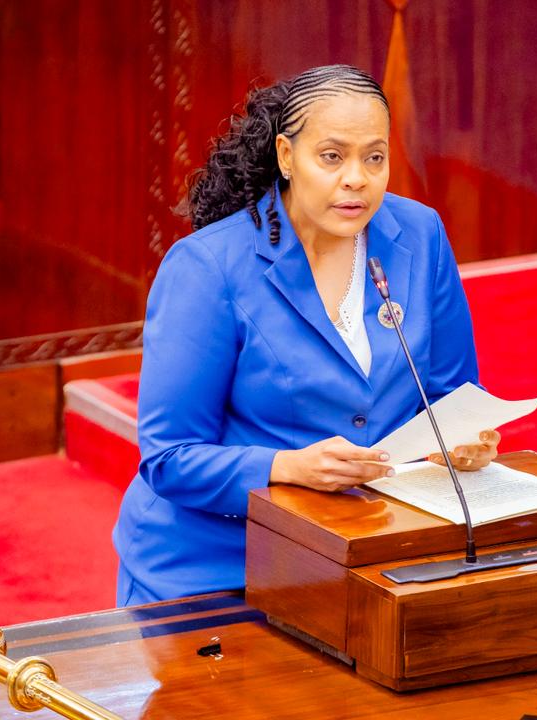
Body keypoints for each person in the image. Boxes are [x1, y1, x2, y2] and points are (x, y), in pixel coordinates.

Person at [113, 64, 500, 606]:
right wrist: (286, 466)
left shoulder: (420, 234)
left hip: (368, 553)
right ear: (286, 156)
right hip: (216, 570)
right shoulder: (207, 266)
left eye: (375, 157)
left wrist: (462, 441)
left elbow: (451, 395)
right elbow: (169, 457)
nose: (357, 179)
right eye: (332, 157)